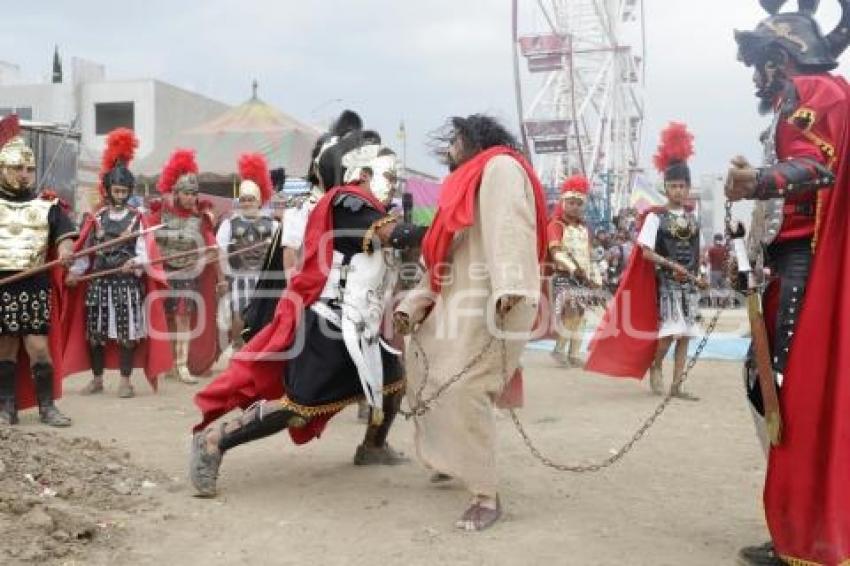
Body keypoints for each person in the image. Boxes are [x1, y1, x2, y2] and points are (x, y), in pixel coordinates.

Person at [189, 112, 426, 497]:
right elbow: (393, 235)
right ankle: (214, 440)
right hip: (328, 325)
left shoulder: (365, 205)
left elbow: (395, 252)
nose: (394, 185)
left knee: (393, 381)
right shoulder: (347, 201)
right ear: (363, 174)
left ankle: (372, 447)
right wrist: (442, 227)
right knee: (297, 406)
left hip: (358, 326)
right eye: (390, 176)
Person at [725, 3, 850, 564]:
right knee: (776, 392)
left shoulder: (812, 92)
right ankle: (803, 522)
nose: (756, 75)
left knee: (782, 395)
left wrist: (758, 181)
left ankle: (803, 531)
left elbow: (816, 168)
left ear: (783, 58)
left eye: (761, 62)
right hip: (789, 259)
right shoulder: (823, 93)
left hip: (802, 265)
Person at [393, 114, 548, 531]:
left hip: (497, 300)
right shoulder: (466, 184)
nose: (449, 150)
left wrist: (510, 286)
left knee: (466, 388)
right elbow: (441, 261)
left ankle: (485, 494)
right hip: (459, 303)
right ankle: (450, 460)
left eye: (455, 141)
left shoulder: (501, 166)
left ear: (473, 140)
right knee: (426, 374)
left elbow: (510, 226)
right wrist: (414, 305)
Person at [585, 122, 703, 401]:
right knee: (669, 334)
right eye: (672, 186)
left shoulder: (693, 219)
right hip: (666, 284)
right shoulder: (654, 218)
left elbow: (696, 253)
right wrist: (674, 267)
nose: (677, 190)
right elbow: (646, 252)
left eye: (681, 186)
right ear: (665, 188)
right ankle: (656, 364)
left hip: (690, 285)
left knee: (685, 335)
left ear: (687, 188)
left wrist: (699, 276)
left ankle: (677, 385)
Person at [63, 128, 172, 398]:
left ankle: (125, 381)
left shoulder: (137, 219)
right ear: (108, 190)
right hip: (99, 282)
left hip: (126, 283)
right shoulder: (97, 217)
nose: (120, 194)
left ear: (129, 191)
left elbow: (145, 252)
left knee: (126, 333)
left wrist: (134, 263)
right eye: (116, 190)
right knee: (95, 333)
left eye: (124, 190)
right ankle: (97, 379)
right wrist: (74, 272)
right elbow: (86, 252)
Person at [0, 132, 76, 426]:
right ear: (3, 169)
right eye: (18, 168)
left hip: (33, 285)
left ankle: (47, 408)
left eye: (29, 169)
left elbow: (64, 238)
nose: (24, 174)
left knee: (38, 348)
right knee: (5, 347)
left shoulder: (47, 205)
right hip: (3, 285)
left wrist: (66, 252)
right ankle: (7, 408)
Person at [148, 149, 222, 384]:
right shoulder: (159, 216)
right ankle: (168, 363)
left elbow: (212, 248)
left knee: (183, 318)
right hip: (165, 273)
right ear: (176, 193)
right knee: (167, 319)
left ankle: (182, 365)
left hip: (188, 274)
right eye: (186, 193)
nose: (191, 198)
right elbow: (146, 242)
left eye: (194, 194)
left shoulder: (200, 219)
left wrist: (207, 262)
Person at [216, 153, 277, 350]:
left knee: (265, 318)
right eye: (243, 199)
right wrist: (223, 278)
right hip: (239, 277)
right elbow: (221, 252)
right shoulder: (229, 225)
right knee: (239, 316)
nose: (247, 203)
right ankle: (238, 353)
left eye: (251, 199)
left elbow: (279, 253)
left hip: (264, 278)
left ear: (259, 201)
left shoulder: (273, 225)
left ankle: (260, 356)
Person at [547, 175, 601, 367]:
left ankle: (574, 353)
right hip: (564, 276)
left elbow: (590, 255)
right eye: (571, 203)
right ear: (563, 203)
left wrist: (596, 277)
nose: (575, 207)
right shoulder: (556, 225)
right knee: (571, 310)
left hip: (583, 278)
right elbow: (555, 252)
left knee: (581, 315)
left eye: (579, 203)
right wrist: (574, 269)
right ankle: (560, 350)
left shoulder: (584, 229)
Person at [704, 234, 729, 308]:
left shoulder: (711, 249)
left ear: (714, 240)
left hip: (713, 271)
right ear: (721, 240)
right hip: (723, 272)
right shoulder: (724, 249)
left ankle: (714, 304)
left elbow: (707, 260)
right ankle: (722, 303)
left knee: (714, 288)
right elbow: (727, 260)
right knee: (723, 288)